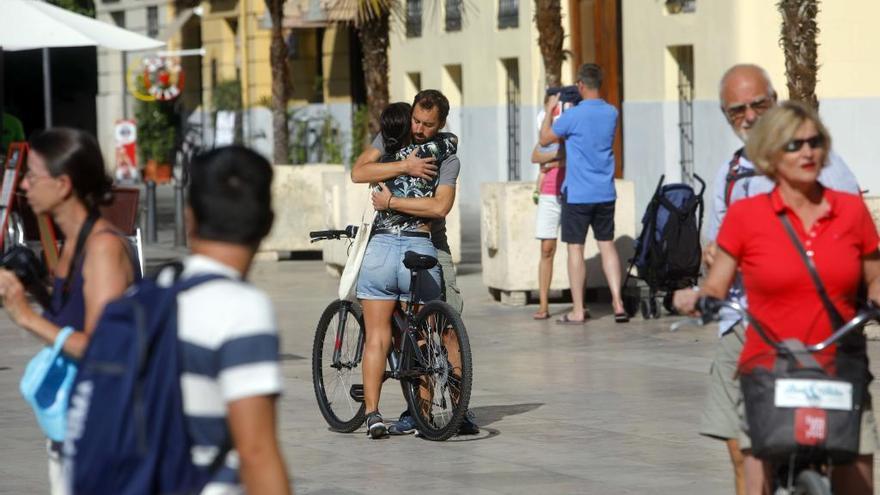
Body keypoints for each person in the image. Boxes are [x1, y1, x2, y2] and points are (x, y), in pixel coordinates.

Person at [675, 101, 879, 495]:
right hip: (768, 366)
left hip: (839, 363)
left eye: (814, 142)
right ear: (769, 154)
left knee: (859, 476)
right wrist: (698, 299)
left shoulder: (851, 211)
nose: (807, 152)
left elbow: (875, 279)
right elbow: (718, 285)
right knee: (757, 472)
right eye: (793, 144)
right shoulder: (747, 216)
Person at [0, 128, 139, 494]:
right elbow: (77, 315)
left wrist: (25, 316)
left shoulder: (103, 248)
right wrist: (35, 291)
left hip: (102, 433)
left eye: (32, 176)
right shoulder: (74, 243)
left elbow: (99, 348)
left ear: (63, 184)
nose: (24, 186)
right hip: (74, 427)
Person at [164, 145, 291, 493]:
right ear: (268, 223)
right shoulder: (242, 309)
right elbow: (256, 451)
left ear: (189, 217)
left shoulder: (154, 290)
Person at [352, 90, 478, 436]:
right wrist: (405, 166)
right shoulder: (393, 134)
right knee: (399, 334)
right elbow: (360, 171)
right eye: (417, 121)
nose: (419, 129)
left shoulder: (447, 156)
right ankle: (417, 410)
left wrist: (392, 201)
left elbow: (440, 207)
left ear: (441, 125)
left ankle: (456, 407)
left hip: (431, 245)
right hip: (397, 244)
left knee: (443, 330)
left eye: (428, 125)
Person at [539, 63, 627, 324]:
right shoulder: (612, 112)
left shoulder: (572, 116)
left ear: (579, 85)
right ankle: (618, 303)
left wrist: (549, 110)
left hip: (577, 194)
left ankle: (578, 310)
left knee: (575, 249)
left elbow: (545, 138)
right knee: (607, 245)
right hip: (605, 191)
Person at [531, 96, 566, 320]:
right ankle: (543, 305)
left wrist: (555, 161)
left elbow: (573, 157)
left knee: (575, 249)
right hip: (548, 193)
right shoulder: (546, 130)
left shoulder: (569, 124)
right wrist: (557, 158)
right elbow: (535, 155)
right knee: (546, 248)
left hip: (570, 192)